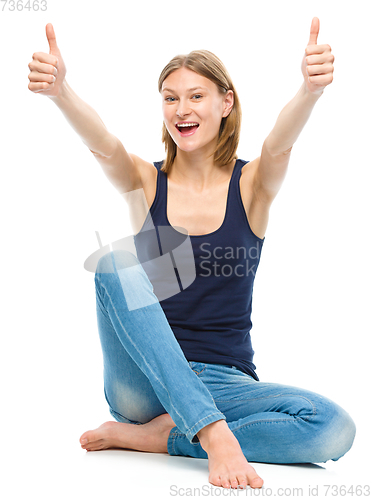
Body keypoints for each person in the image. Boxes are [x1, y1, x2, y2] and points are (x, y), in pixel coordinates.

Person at [28, 18, 356, 490]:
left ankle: (166, 438)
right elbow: (102, 146)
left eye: (196, 95)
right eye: (170, 97)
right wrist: (61, 91)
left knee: (332, 427)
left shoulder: (251, 186)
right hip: (145, 383)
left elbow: (279, 147)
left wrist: (309, 90)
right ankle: (211, 434)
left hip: (226, 382)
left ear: (226, 103)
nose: (182, 108)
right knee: (115, 263)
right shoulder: (146, 182)